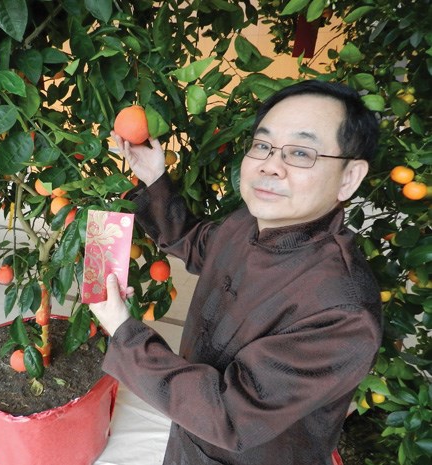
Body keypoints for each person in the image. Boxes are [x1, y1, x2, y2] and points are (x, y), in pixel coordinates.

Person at [90, 80, 383, 465]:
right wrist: (154, 179)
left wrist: (126, 331)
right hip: (190, 438)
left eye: (300, 152)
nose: (270, 165)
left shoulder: (342, 311)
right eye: (263, 145)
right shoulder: (250, 221)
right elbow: (199, 244)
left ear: (349, 177)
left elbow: (230, 414)